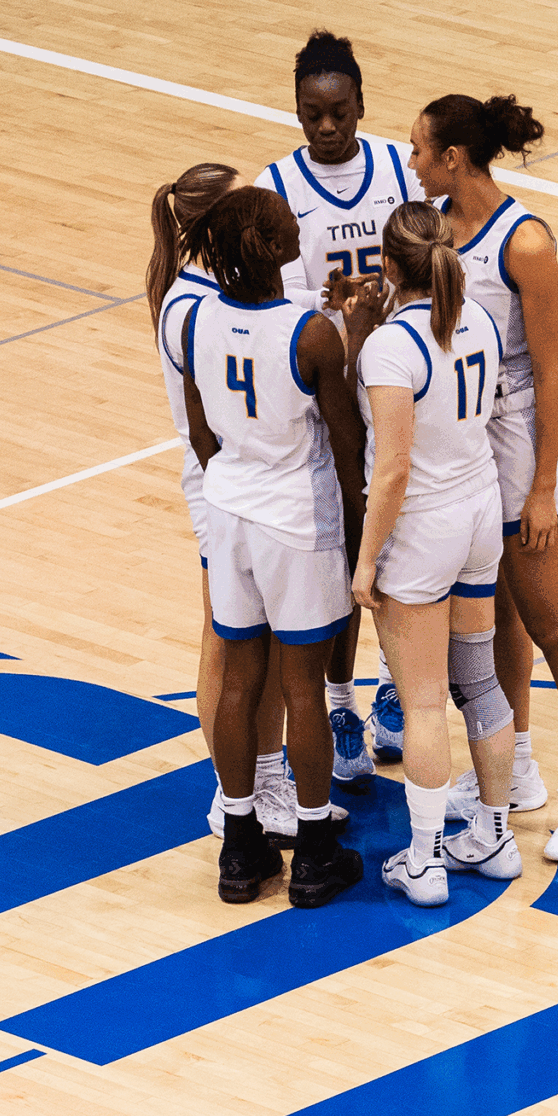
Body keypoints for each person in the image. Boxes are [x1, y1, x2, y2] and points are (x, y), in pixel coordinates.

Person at [410, 92, 558, 861]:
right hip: (468, 442)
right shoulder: (435, 229)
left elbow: (553, 370)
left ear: (453, 158)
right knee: (501, 616)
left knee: (551, 620)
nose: (412, 162)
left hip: (518, 441)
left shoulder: (524, 243)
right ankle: (519, 764)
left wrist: (540, 489)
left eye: (420, 150)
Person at [167, 187, 367, 908]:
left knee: (240, 680)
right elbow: (348, 446)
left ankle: (239, 844)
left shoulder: (193, 321)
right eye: (286, 224)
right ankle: (313, 849)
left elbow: (200, 435)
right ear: (274, 246)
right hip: (295, 521)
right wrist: (361, 538)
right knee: (301, 686)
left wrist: (240, 475)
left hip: (230, 511)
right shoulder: (310, 336)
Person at [343, 204, 521, 906]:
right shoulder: (479, 317)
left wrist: (366, 560)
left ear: (389, 265)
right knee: (479, 683)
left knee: (421, 703)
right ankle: (496, 837)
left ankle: (424, 861)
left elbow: (391, 470)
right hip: (479, 511)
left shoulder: (391, 347)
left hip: (423, 530)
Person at [261, 30, 424, 787]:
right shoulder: (277, 184)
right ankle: (337, 702)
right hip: (326, 388)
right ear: (297, 110)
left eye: (339, 111)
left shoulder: (395, 167)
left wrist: (388, 306)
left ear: (361, 102)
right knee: (343, 551)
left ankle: (394, 684)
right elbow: (275, 293)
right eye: (312, 114)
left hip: (397, 378)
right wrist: (330, 310)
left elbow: (431, 253)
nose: (326, 127)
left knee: (399, 540)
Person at [149, 163, 299, 845]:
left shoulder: (217, 286)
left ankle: (264, 778)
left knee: (256, 639)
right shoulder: (191, 306)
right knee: (226, 638)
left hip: (244, 479)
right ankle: (229, 790)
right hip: (220, 481)